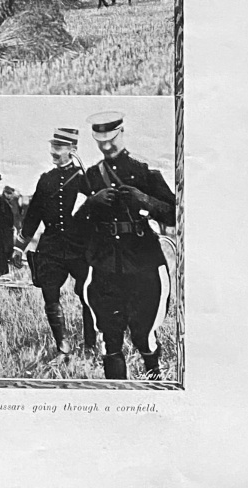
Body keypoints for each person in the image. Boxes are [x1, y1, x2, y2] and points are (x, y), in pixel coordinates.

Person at [76, 112, 175, 379]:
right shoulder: (90, 178)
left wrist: (145, 200)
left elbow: (175, 214)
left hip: (143, 264)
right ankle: (116, 396)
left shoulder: (144, 172)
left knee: (143, 334)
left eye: (111, 140)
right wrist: (91, 203)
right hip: (105, 266)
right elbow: (75, 224)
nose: (106, 147)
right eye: (101, 142)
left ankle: (154, 376)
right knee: (110, 335)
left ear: (122, 133)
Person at [12, 127, 97, 354]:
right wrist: (19, 247)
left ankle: (91, 345)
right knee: (50, 294)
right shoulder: (45, 180)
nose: (53, 152)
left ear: (73, 149)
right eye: (52, 146)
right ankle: (62, 345)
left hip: (81, 248)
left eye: (59, 147)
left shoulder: (85, 180)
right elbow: (32, 217)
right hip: (51, 247)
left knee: (88, 295)